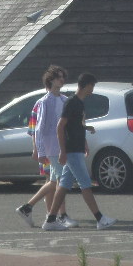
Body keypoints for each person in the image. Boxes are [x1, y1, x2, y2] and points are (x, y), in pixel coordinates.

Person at [42, 73, 116, 231]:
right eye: (92, 86)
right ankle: (100, 219)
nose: (92, 90)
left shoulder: (80, 103)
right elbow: (60, 127)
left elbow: (76, 125)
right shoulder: (71, 103)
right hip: (71, 151)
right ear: (87, 85)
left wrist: (86, 135)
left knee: (63, 185)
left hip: (77, 149)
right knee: (85, 184)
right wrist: (62, 151)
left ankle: (50, 220)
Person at [16, 65, 74, 228]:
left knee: (55, 181)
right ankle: (52, 215)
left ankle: (37, 211)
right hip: (50, 148)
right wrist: (39, 150)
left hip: (60, 147)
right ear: (50, 80)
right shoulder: (43, 102)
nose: (62, 80)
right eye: (58, 77)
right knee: (57, 180)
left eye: (63, 77)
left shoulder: (64, 100)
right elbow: (37, 129)